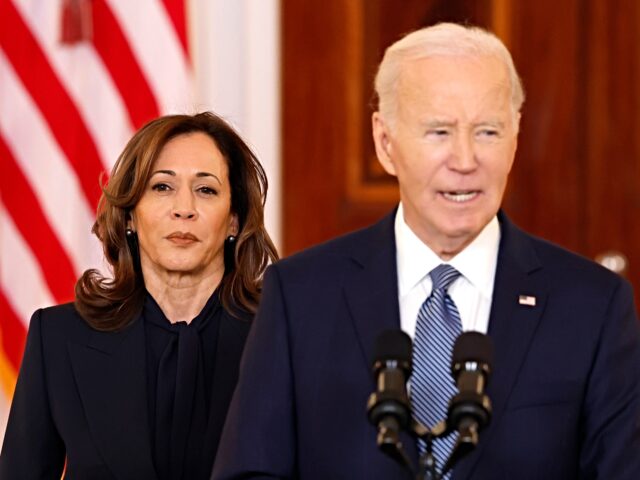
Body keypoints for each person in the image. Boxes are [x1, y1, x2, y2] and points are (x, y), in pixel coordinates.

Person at [212, 23, 640, 480]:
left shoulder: (593, 306)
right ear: (385, 142)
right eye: (439, 132)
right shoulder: (300, 297)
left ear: (516, 138)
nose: (465, 159)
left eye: (488, 132)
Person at [0, 112, 278, 479]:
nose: (184, 209)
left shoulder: (280, 339)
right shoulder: (58, 338)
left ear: (233, 221)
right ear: (130, 214)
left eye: (206, 190)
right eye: (162, 187)